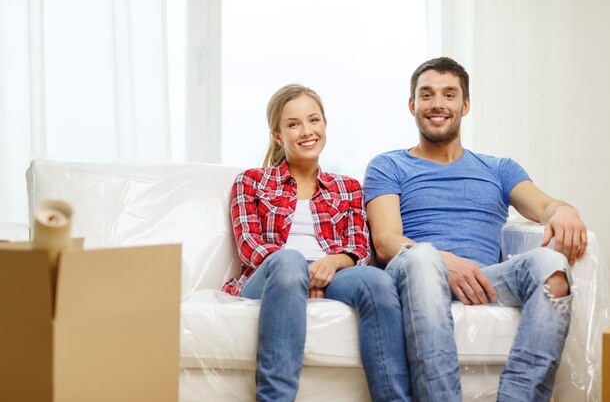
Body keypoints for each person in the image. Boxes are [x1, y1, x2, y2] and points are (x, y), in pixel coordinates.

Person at [363, 57, 587, 401]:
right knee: (422, 261)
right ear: (412, 105)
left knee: (552, 268)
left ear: (465, 105)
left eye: (449, 95)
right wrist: (442, 262)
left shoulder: (498, 168)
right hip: (417, 277)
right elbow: (386, 240)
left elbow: (544, 206)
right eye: (427, 95)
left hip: (484, 280)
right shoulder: (389, 165)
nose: (437, 104)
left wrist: (565, 210)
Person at [222, 84, 412, 401]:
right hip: (272, 274)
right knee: (289, 262)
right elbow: (250, 248)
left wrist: (329, 264)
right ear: (278, 136)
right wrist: (299, 273)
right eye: (294, 124)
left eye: (314, 120)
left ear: (324, 124)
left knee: (377, 281)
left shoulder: (347, 187)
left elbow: (360, 250)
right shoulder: (251, 181)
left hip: (332, 273)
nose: (307, 131)